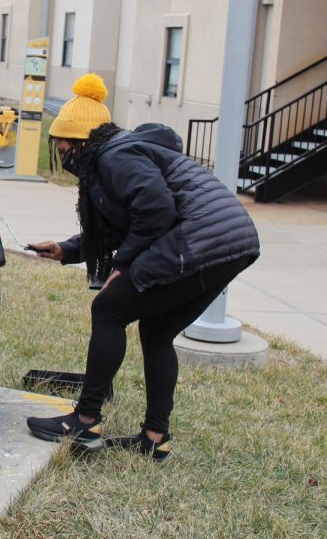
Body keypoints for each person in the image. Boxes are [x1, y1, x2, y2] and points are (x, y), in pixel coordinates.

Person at [25, 73, 260, 461]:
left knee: (108, 308)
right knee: (157, 330)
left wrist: (122, 264)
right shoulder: (116, 155)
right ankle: (155, 438)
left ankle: (84, 422)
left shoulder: (116, 156)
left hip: (201, 239)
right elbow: (131, 222)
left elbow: (155, 211)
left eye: (62, 141)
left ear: (82, 140)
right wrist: (65, 249)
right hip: (232, 242)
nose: (61, 149)